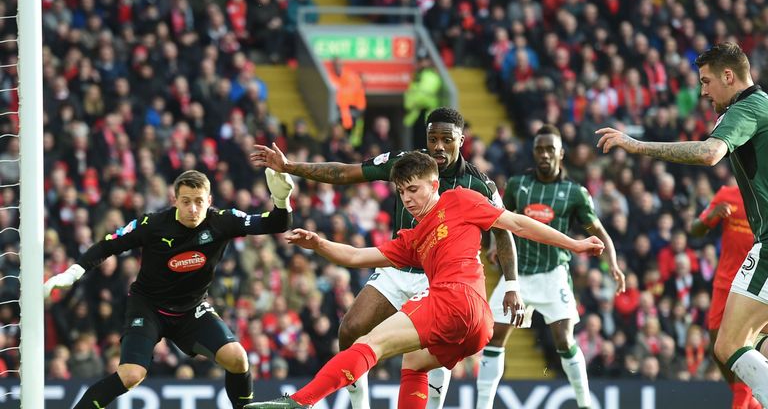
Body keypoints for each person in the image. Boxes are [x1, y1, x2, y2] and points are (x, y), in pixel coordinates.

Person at [245, 151, 604, 409]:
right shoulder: (414, 238)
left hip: (455, 301)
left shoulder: (460, 199)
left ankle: (300, 402)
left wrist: (573, 243)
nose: (408, 199)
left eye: (414, 189)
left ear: (434, 183)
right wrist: (319, 244)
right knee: (414, 364)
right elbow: (357, 257)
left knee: (370, 343)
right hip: (476, 325)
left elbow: (518, 224)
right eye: (402, 193)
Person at [250, 107, 520, 409]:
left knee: (426, 362)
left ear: (462, 139)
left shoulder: (480, 185)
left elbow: (504, 231)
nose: (439, 147)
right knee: (351, 330)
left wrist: (511, 284)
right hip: (399, 261)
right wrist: (290, 167)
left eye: (447, 139)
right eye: (433, 139)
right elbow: (347, 172)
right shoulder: (406, 163)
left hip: (441, 276)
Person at [596, 42, 768, 405]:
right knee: (756, 343)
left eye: (706, 82)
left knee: (729, 344)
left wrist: (637, 145)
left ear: (728, 76)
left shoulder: (749, 106)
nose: (703, 91)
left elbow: (709, 153)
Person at [43, 169, 295, 409]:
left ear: (209, 200)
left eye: (199, 201)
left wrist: (282, 199)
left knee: (238, 358)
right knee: (131, 375)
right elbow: (108, 245)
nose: (193, 209)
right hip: (148, 307)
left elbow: (276, 223)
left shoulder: (223, 221)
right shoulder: (153, 224)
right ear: (174, 200)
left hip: (191, 309)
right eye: (185, 201)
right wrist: (72, 273)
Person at [477, 125, 626, 409]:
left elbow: (600, 230)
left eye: (550, 149)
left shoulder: (574, 192)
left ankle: (585, 404)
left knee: (563, 338)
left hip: (553, 275)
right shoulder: (519, 184)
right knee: (493, 337)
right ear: (533, 153)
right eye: (539, 149)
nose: (544, 154)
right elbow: (499, 222)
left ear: (561, 153)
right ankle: (482, 405)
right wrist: (496, 246)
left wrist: (614, 264)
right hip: (517, 277)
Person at [690, 179, 760, 409]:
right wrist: (712, 217)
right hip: (726, 281)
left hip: (755, 282)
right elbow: (695, 230)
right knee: (717, 346)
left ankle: (742, 400)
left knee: (743, 342)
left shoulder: (764, 196)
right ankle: (751, 400)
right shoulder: (726, 194)